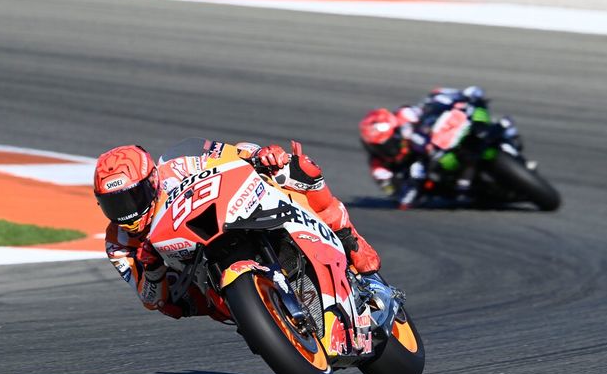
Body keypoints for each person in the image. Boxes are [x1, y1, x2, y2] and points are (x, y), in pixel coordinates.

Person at [93, 140, 380, 319]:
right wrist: (152, 268)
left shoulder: (179, 166)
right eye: (114, 205)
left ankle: (350, 241)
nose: (126, 212)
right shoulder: (118, 243)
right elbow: (151, 300)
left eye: (132, 198)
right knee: (173, 306)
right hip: (200, 276)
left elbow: (236, 153)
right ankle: (259, 317)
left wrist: (262, 156)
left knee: (301, 169)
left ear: (152, 181)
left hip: (230, 218)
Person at [359, 86, 522, 209]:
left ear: (396, 131)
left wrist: (446, 101)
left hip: (442, 143)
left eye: (388, 142)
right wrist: (414, 180)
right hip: (434, 177)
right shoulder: (378, 167)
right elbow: (402, 199)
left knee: (471, 105)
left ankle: (502, 136)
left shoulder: (404, 115)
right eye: (380, 147)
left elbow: (427, 107)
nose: (387, 149)